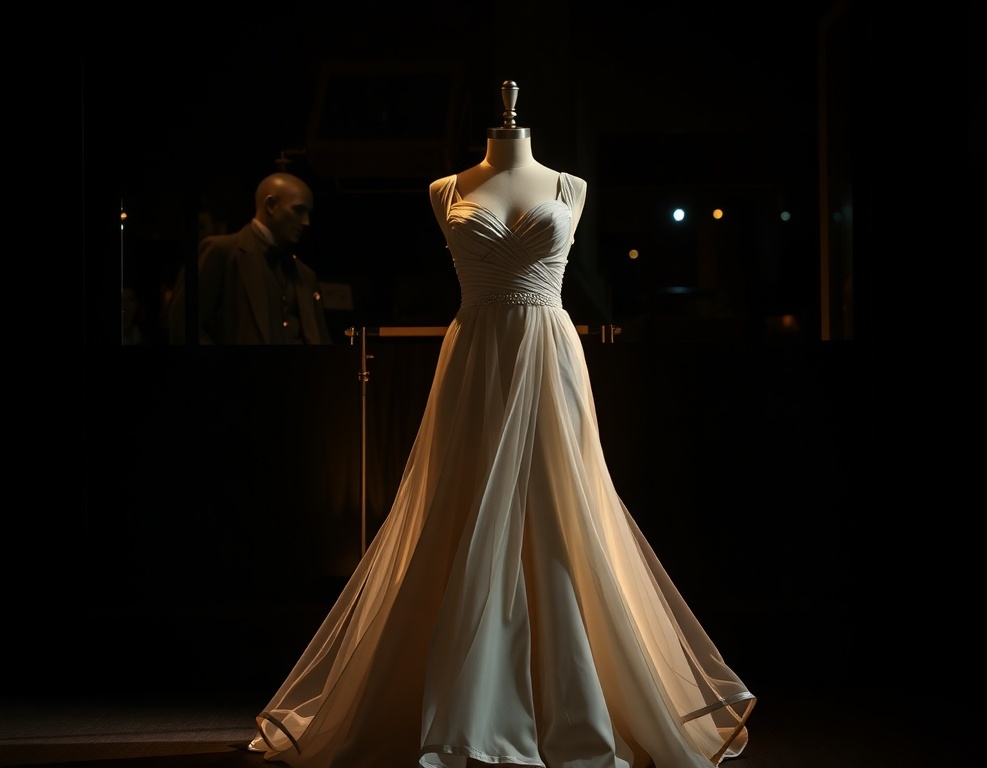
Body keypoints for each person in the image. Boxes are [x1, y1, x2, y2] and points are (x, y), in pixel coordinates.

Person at [248, 82, 754, 768]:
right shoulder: (444, 189)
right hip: (476, 357)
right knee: (461, 502)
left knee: (562, 506)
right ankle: (459, 694)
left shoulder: (569, 186)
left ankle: (575, 693)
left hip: (549, 354)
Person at [167, 172, 332, 344]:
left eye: (308, 213)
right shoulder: (221, 252)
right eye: (298, 210)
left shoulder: (305, 274)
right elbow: (183, 327)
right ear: (271, 205)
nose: (306, 222)